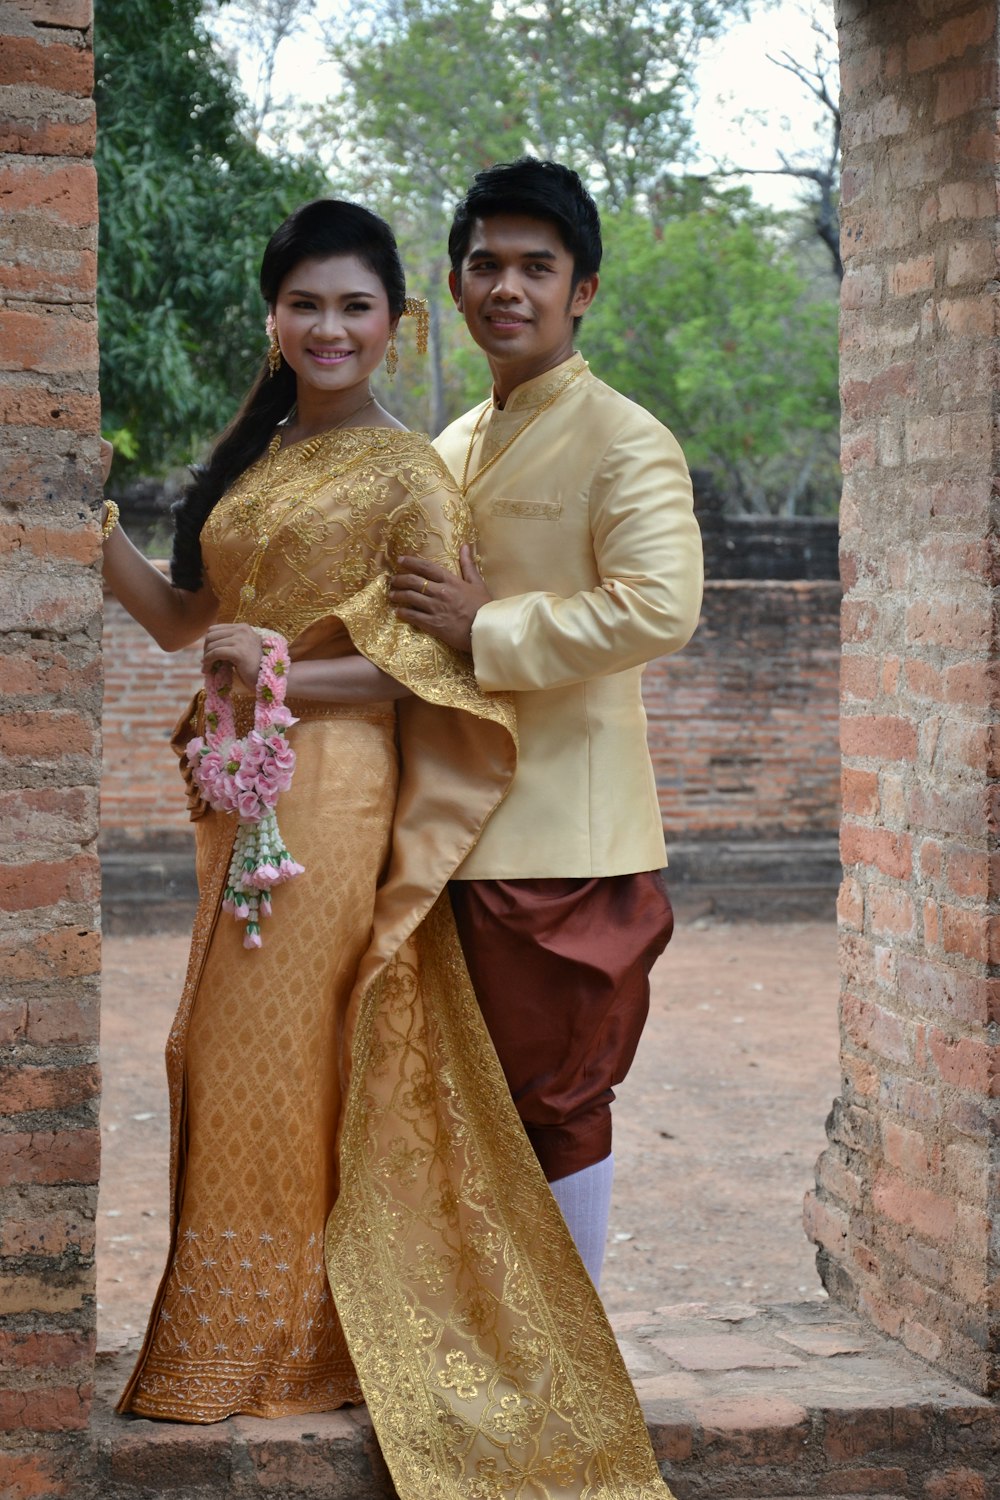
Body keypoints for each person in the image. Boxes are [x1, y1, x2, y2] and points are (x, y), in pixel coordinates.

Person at [102, 197, 679, 1497]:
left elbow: (433, 676)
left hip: (332, 789)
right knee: (214, 1042)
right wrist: (80, 526)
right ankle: (258, 1329)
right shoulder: (253, 460)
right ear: (273, 317)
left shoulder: (409, 469)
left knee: (273, 1051)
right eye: (306, 302)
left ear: (395, 322)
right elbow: (188, 618)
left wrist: (276, 684)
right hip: (235, 781)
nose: (329, 326)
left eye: (356, 305)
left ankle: (275, 1346)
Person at [390, 158, 704, 1290]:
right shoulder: (450, 442)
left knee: (558, 1099)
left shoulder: (624, 437)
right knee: (448, 1100)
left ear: (584, 293)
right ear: (457, 283)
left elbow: (661, 606)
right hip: (438, 827)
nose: (506, 288)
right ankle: (483, 1339)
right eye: (486, 265)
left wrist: (489, 627)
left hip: (562, 835)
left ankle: (571, 1356)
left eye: (536, 267)